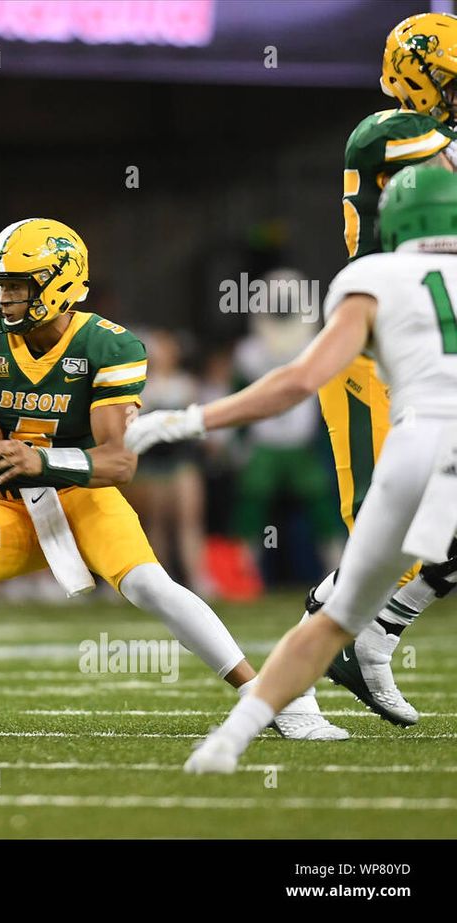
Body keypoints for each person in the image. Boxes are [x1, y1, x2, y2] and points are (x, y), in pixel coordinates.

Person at [0, 218, 346, 740]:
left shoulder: (108, 347)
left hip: (84, 496)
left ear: (58, 284)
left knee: (149, 584)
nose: (3, 298)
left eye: (16, 285)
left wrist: (43, 461)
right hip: (11, 506)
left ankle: (266, 697)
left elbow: (120, 464)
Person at [126, 166, 457, 773]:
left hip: (414, 448)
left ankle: (231, 740)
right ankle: (381, 633)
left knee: (336, 620)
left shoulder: (372, 275)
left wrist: (191, 420)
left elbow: (300, 381)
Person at [315, 11, 457, 725]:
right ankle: (302, 672)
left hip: (437, 350)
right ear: (416, 77)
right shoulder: (390, 133)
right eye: (452, 83)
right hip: (379, 350)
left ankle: (375, 634)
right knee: (393, 530)